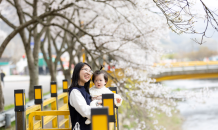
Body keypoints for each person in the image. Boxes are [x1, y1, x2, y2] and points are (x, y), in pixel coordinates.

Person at [68, 62, 99, 130]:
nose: (88, 73)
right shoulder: (75, 92)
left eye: (90, 71)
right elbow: (85, 111)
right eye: (85, 69)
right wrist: (102, 112)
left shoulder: (85, 90)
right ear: (77, 71)